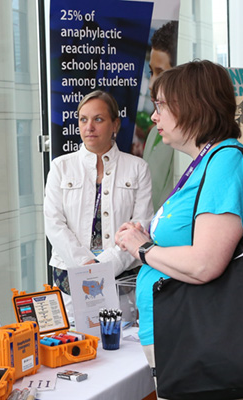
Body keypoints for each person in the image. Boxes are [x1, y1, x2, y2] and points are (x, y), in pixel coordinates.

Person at [116, 60, 243, 400]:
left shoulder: (225, 162)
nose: (154, 117)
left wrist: (143, 249)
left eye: (160, 106)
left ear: (192, 106)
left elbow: (205, 263)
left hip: (202, 340)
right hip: (191, 336)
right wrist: (149, 240)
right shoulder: (209, 162)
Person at [44, 90, 153, 302]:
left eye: (98, 119)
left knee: (123, 334)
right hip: (70, 274)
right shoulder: (61, 167)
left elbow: (141, 224)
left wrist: (104, 266)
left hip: (123, 276)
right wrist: (86, 265)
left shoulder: (138, 168)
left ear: (115, 125)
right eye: (83, 120)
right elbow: (53, 224)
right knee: (75, 335)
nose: (89, 127)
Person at [142, 21, 178, 210]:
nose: (151, 84)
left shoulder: (192, 138)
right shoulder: (155, 133)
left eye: (161, 73)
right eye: (151, 72)